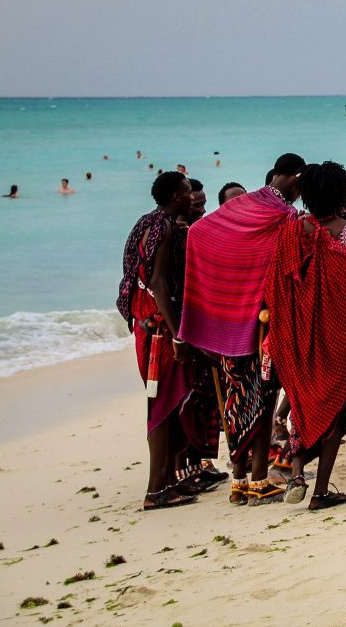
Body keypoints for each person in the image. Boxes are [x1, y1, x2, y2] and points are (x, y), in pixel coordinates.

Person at [179, 152, 305, 504]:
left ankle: (238, 482)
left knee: (236, 402)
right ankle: (259, 480)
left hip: (228, 324)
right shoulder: (282, 214)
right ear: (294, 177)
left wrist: (219, 295)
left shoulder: (248, 203)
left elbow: (200, 233)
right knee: (261, 401)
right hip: (258, 326)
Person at [266, 162, 346, 510]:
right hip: (338, 333)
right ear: (342, 192)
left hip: (299, 332)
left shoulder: (293, 231)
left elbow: (278, 283)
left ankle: (296, 471)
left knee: (304, 402)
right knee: (336, 410)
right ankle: (321, 490)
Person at [117, 171, 197, 510]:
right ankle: (155, 490)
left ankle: (164, 482)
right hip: (159, 328)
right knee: (161, 404)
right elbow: (158, 281)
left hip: (142, 324)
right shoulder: (163, 228)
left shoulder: (146, 222)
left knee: (160, 401)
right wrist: (178, 332)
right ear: (177, 196)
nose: (192, 196)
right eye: (188, 191)